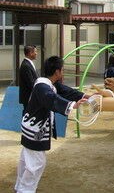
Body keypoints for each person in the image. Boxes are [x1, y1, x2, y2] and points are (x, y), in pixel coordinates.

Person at [15, 56, 90, 193]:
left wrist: (85, 96)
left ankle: (19, 187)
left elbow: (66, 91)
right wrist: (72, 105)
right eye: (62, 70)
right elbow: (52, 99)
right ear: (57, 72)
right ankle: (25, 190)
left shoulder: (49, 84)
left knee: (26, 161)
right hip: (34, 130)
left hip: (30, 127)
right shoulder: (42, 87)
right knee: (36, 164)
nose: (63, 72)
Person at [19, 46, 39, 115]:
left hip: (30, 96)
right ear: (30, 53)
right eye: (35, 52)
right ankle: (24, 125)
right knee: (27, 114)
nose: (37, 53)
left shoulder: (28, 63)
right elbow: (31, 83)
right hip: (28, 96)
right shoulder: (26, 65)